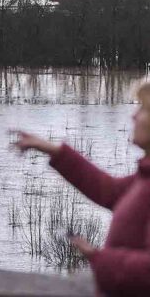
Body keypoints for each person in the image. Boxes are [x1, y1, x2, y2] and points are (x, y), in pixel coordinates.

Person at [14, 81, 150, 297]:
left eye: (142, 109)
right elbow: (110, 191)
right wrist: (54, 151)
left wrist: (99, 258)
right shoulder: (145, 177)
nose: (133, 116)